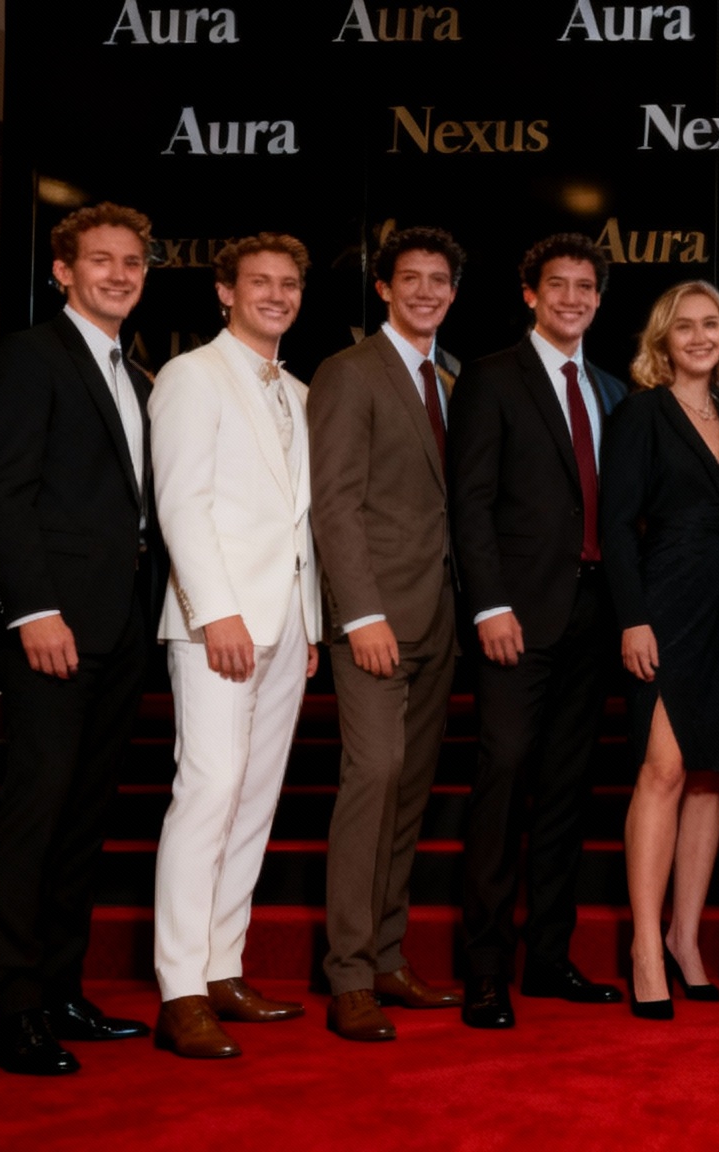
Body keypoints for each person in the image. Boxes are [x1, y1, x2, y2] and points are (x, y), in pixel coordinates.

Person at [0, 204, 163, 1075]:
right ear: (62, 271)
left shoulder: (140, 373)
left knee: (84, 821)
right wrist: (32, 610)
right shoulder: (29, 357)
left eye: (132, 262)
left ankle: (61, 991)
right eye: (101, 261)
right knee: (35, 817)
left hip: (122, 627)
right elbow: (4, 494)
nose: (119, 274)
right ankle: (10, 1013)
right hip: (54, 626)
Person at [149, 233, 324, 1059]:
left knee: (253, 803)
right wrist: (214, 611)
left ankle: (223, 967)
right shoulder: (191, 375)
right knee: (208, 793)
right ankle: (179, 989)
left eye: (289, 284)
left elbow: (299, 527)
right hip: (219, 624)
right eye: (259, 282)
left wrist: (312, 624)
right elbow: (181, 504)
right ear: (224, 292)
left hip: (287, 626)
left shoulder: (296, 387)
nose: (276, 295)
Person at [449, 234, 628, 1028]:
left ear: (598, 298)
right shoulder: (490, 378)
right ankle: (484, 971)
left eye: (585, 287)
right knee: (503, 784)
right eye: (556, 285)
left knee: (565, 795)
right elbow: (470, 503)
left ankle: (549, 959)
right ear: (530, 293)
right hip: (516, 619)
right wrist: (489, 606)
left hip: (594, 617)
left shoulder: (612, 390)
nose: (571, 299)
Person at [307, 226, 469, 1042]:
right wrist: (359, 614)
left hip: (438, 618)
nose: (426, 292)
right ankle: (346, 975)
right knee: (373, 782)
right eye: (411, 279)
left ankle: (387, 955)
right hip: (375, 620)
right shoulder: (349, 373)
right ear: (383, 288)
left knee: (407, 795)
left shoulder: (449, 377)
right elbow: (333, 504)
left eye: (439, 280)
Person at [602, 282, 719, 1020]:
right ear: (663, 340)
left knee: (707, 778)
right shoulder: (639, 415)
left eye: (711, 326)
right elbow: (617, 524)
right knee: (662, 771)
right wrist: (633, 619)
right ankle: (644, 949)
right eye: (685, 327)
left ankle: (687, 940)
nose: (699, 337)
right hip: (663, 601)